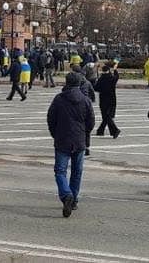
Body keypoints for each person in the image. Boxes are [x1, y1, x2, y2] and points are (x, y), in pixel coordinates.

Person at [47, 72, 95, 218]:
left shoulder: (59, 99)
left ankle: (66, 194)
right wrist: (84, 132)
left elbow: (51, 118)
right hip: (79, 140)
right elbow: (91, 122)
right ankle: (73, 198)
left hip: (62, 139)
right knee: (77, 171)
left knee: (60, 171)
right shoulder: (85, 100)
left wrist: (55, 133)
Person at [93, 63, 120, 139]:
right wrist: (115, 69)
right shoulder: (112, 78)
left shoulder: (101, 79)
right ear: (108, 70)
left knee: (106, 116)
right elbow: (117, 77)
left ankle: (115, 130)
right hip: (112, 99)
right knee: (107, 116)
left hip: (103, 99)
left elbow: (96, 88)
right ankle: (100, 131)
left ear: (103, 71)